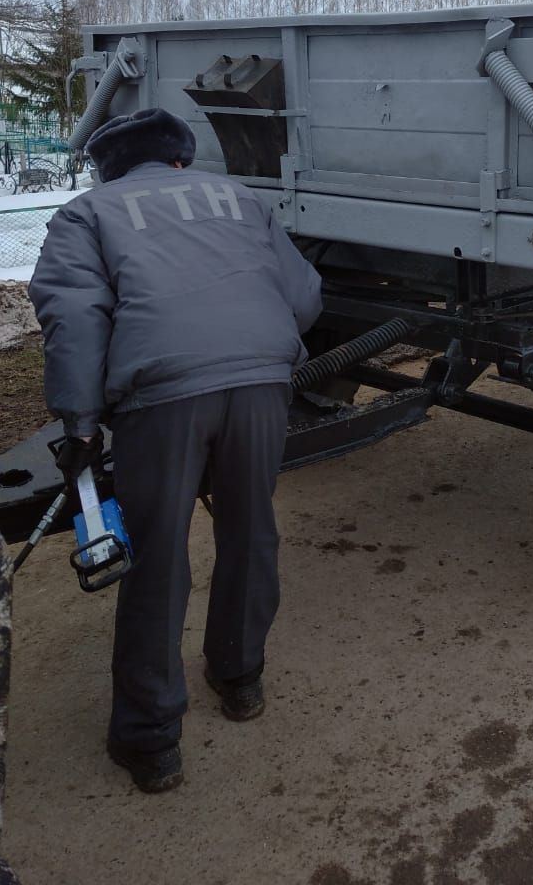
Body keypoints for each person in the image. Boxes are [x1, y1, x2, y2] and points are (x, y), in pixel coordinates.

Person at [29, 107, 321, 794]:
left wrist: (78, 423)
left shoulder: (87, 212)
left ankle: (152, 741)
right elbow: (304, 295)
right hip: (260, 383)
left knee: (157, 559)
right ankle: (240, 680)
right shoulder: (241, 198)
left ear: (111, 166)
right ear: (179, 159)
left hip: (161, 396)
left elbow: (73, 316)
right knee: (250, 532)